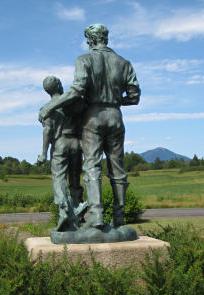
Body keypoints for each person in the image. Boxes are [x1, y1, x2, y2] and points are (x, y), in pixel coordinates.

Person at [39, 24, 141, 229]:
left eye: (88, 40)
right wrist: (114, 101)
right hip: (115, 117)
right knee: (117, 168)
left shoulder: (84, 60)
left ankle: (96, 215)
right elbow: (134, 97)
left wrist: (50, 106)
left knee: (91, 165)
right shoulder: (124, 63)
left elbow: (76, 91)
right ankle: (119, 218)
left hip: (93, 118)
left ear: (92, 40)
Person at [37, 76, 85, 231]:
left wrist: (43, 153)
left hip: (59, 144)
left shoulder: (47, 108)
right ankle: (78, 213)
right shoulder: (72, 103)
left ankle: (64, 210)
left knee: (59, 179)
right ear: (58, 85)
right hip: (76, 143)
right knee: (75, 179)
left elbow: (47, 130)